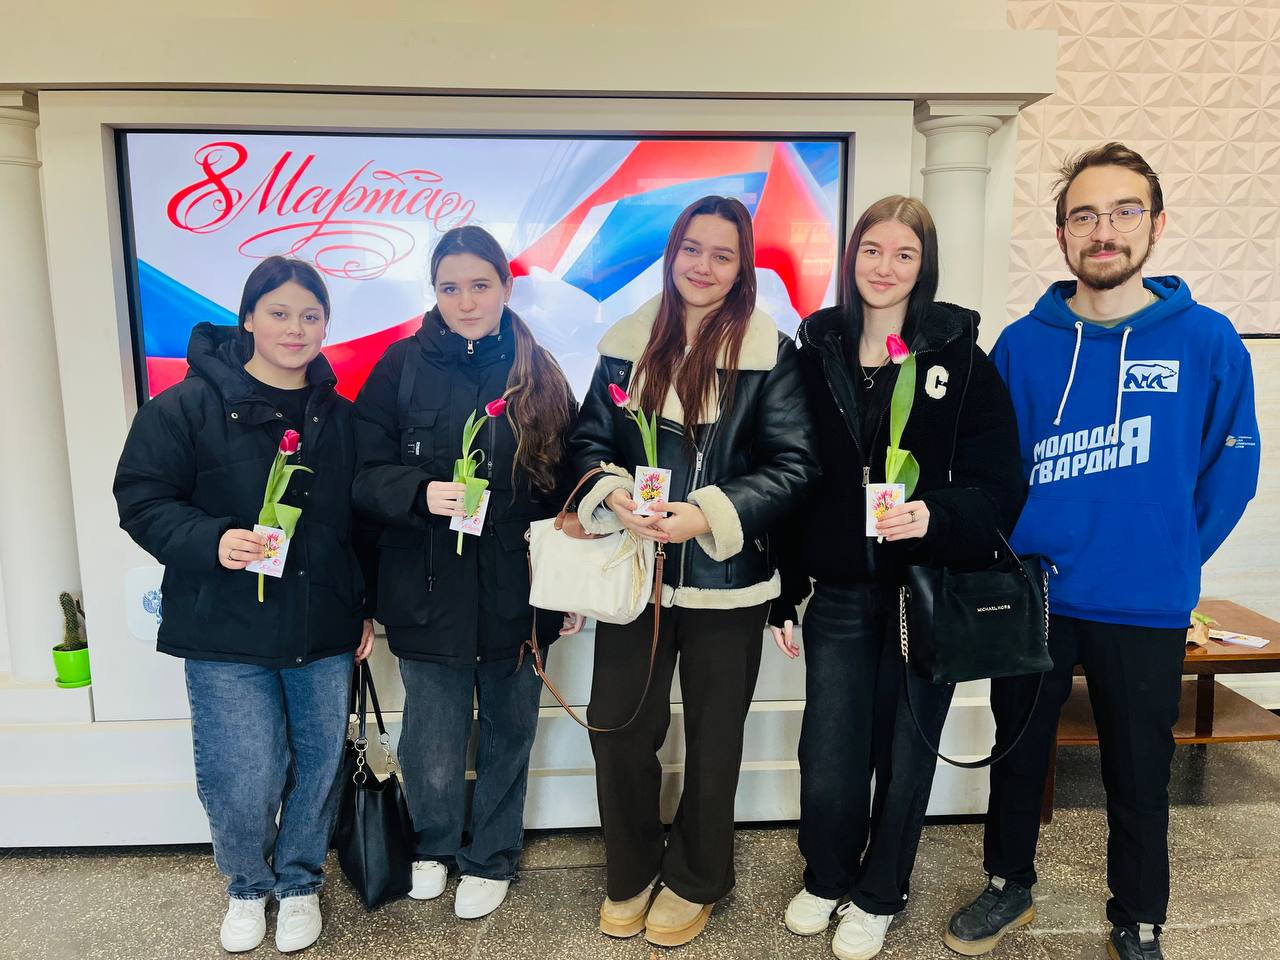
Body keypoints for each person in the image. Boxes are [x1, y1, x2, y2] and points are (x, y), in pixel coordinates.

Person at [945, 143, 1260, 960]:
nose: (1104, 230)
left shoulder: (1207, 340)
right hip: (1035, 593)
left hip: (1145, 600)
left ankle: (1139, 915)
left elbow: (1232, 468)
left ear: (1156, 224)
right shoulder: (1022, 344)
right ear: (1061, 235)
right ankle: (1009, 883)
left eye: (1124, 211)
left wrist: (1173, 552)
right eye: (1083, 216)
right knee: (1018, 753)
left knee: (1139, 770)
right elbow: (993, 470)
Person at [769, 196, 1025, 960]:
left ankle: (881, 893)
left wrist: (936, 516)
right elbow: (792, 476)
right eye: (873, 251)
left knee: (907, 754)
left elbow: (1000, 483)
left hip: (925, 594)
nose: (885, 267)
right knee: (829, 753)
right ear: (852, 257)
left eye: (904, 255)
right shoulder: (814, 351)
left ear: (925, 267)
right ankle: (827, 877)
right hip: (840, 594)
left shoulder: (959, 358)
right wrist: (786, 588)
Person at [569, 194, 819, 947]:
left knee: (714, 741)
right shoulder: (624, 344)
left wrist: (707, 513)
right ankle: (631, 868)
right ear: (672, 252)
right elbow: (589, 443)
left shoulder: (771, 353)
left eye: (722, 254)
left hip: (728, 579)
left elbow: (796, 465)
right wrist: (614, 492)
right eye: (692, 249)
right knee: (617, 728)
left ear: (743, 268)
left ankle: (698, 877)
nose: (703, 266)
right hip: (636, 576)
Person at [114, 256, 376, 954]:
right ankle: (247, 886)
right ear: (249, 318)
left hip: (322, 625)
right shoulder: (185, 406)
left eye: (311, 315)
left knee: (318, 763)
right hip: (223, 627)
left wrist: (364, 607)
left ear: (326, 325)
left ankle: (299, 883)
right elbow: (141, 498)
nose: (296, 328)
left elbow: (362, 525)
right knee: (243, 771)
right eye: (280, 313)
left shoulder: (341, 418)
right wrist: (213, 539)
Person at [352, 224, 581, 921]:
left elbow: (566, 492)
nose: (466, 300)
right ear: (433, 291)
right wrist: (419, 492)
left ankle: (493, 856)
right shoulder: (400, 366)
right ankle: (434, 844)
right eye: (450, 287)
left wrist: (567, 585)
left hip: (519, 590)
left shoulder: (539, 371)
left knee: (511, 729)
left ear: (506, 287)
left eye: (480, 285)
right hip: (424, 589)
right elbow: (361, 475)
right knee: (432, 736)